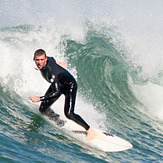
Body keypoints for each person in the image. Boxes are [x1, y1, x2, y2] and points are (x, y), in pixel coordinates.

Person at [29, 49, 94, 139]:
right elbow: (52, 59)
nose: (39, 63)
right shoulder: (49, 60)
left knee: (69, 114)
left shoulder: (51, 74)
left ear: (45, 59)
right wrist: (57, 64)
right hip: (58, 83)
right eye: (37, 60)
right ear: (34, 59)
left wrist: (40, 98)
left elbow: (56, 93)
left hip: (69, 86)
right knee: (43, 109)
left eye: (41, 60)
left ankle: (89, 129)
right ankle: (58, 120)